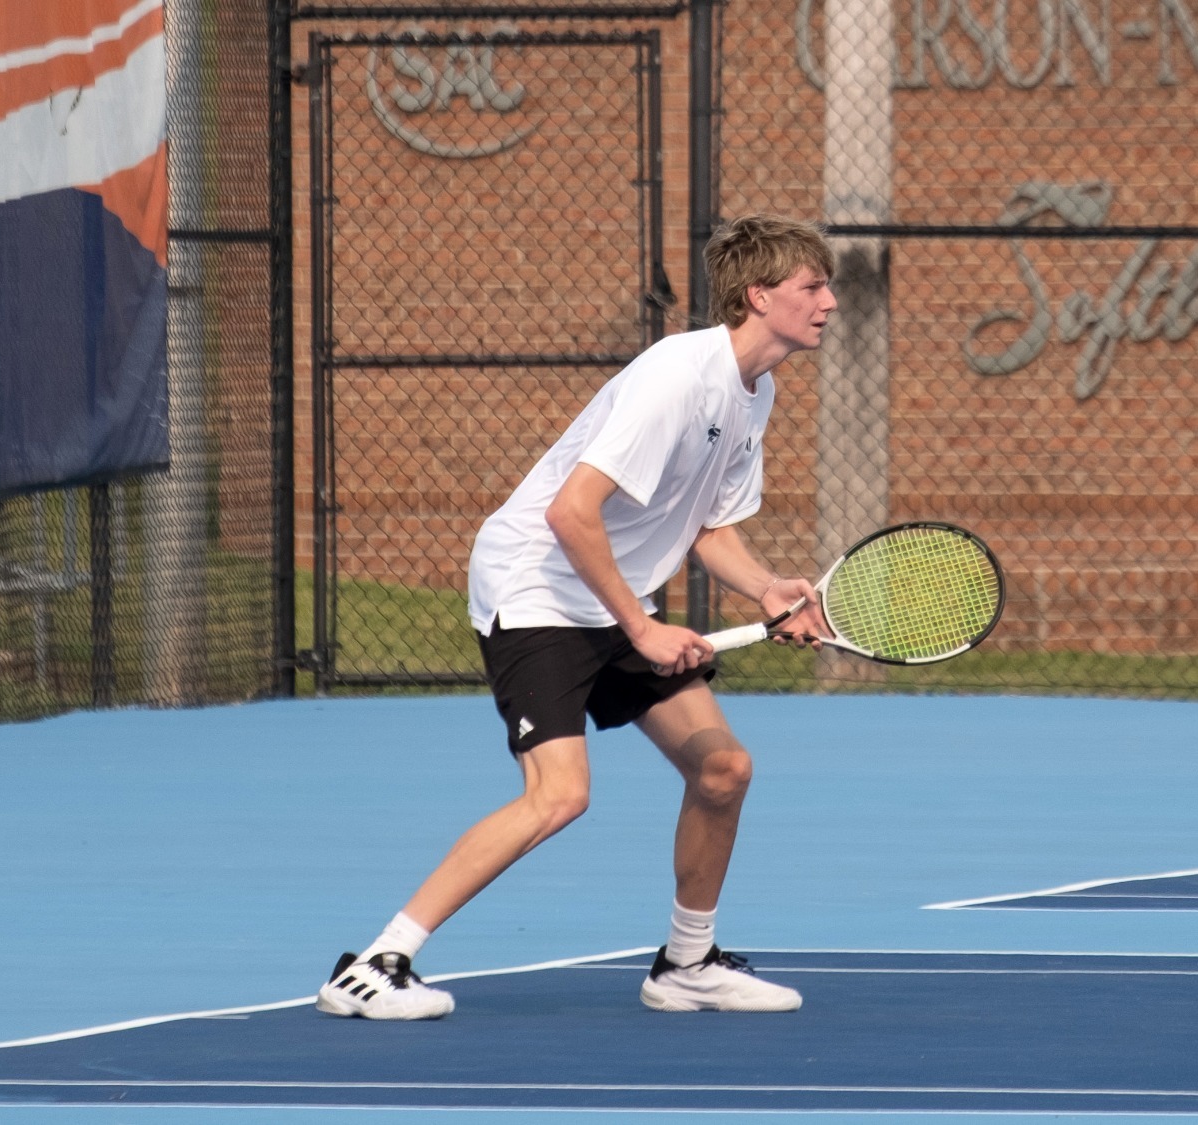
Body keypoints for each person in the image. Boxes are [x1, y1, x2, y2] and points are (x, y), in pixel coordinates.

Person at [317, 214, 838, 1020]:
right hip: (538, 587)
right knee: (559, 794)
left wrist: (766, 588)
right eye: (812, 286)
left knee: (723, 769)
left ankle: (687, 964)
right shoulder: (677, 377)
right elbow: (571, 511)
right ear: (759, 296)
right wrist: (640, 627)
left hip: (614, 593)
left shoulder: (754, 390)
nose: (830, 301)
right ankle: (377, 964)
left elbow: (707, 525)